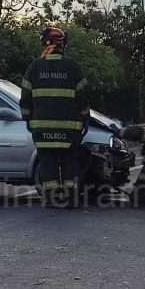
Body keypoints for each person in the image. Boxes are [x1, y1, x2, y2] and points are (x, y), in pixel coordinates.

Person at [20, 27, 90, 207]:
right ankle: (72, 199)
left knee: (48, 164)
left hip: (42, 129)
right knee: (70, 163)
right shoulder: (72, 67)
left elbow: (25, 97)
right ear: (62, 45)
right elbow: (82, 96)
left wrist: (27, 119)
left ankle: (51, 199)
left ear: (45, 44)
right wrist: (85, 117)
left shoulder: (34, 67)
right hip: (70, 129)